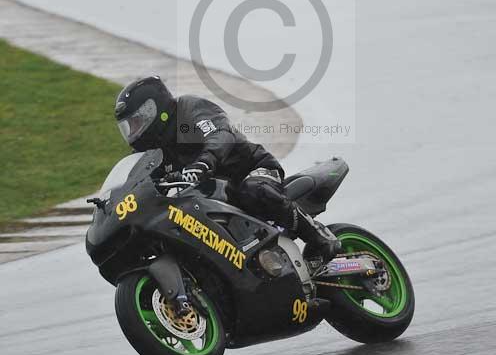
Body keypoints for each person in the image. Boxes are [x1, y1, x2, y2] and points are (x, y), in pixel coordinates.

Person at [114, 75, 340, 262]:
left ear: (153, 110)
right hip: (213, 195)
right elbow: (138, 181)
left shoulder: (188, 111)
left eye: (135, 122)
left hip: (251, 169)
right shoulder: (152, 152)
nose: (133, 131)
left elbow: (220, 134)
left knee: (254, 189)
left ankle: (318, 236)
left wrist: (204, 161)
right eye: (128, 127)